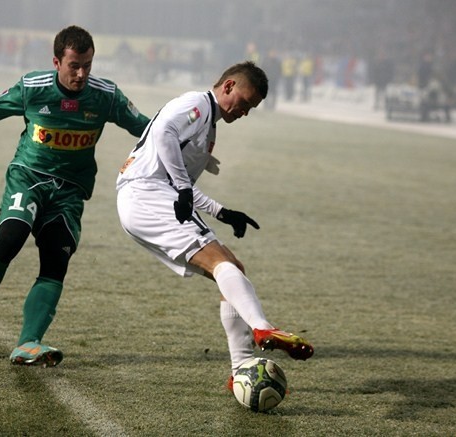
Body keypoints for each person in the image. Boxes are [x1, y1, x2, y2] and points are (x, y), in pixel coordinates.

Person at [0, 25, 150, 367]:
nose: (82, 74)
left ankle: (28, 342)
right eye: (74, 65)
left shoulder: (106, 96)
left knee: (56, 261)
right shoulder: (32, 88)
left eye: (87, 65)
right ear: (56, 61)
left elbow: (148, 129)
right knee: (11, 239)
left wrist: (187, 143)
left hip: (70, 191)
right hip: (28, 177)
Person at [115, 61, 314, 391]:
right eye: (245, 103)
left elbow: (182, 184)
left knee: (233, 267)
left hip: (148, 197)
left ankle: (240, 369)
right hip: (147, 194)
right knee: (222, 264)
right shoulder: (197, 103)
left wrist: (223, 212)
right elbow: (163, 130)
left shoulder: (208, 126)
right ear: (229, 86)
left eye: (252, 109)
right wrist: (180, 186)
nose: (245, 112)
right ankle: (262, 328)